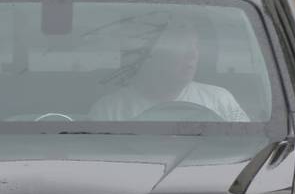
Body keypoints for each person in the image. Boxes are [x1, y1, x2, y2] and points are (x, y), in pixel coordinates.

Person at [89, 17, 249, 122]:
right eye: (182, 46)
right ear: (152, 56)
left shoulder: (220, 100)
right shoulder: (110, 111)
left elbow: (247, 145)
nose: (192, 55)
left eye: (196, 46)